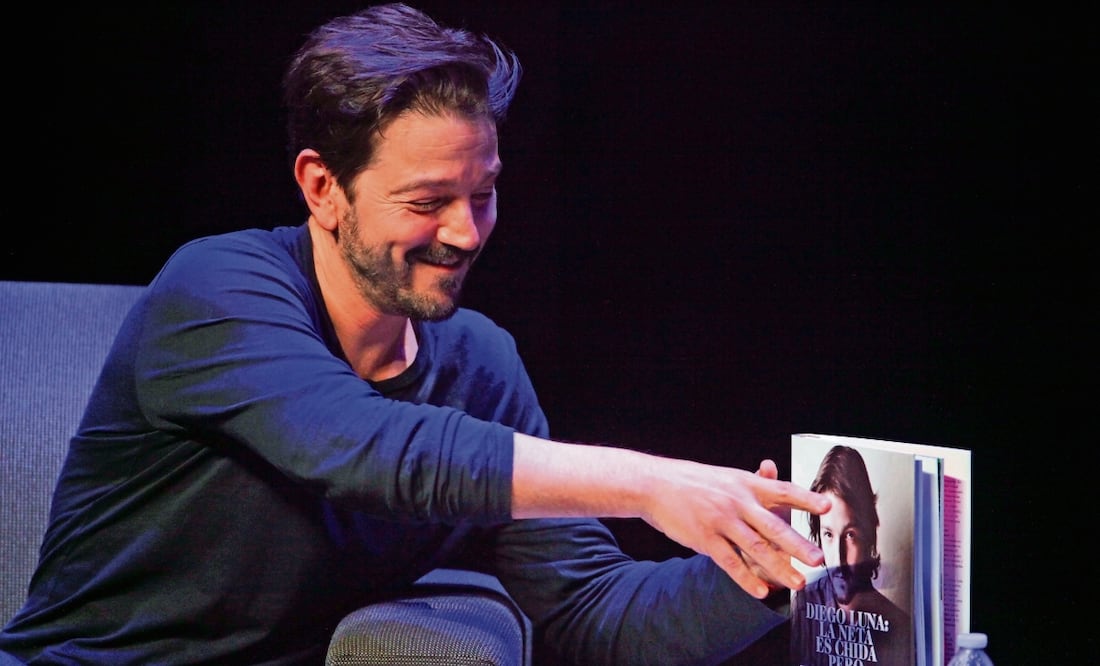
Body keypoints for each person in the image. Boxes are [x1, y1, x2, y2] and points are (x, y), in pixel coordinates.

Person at [0, 4, 830, 664]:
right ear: (324, 187)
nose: (467, 234)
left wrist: (769, 570)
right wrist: (651, 483)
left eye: (485, 193)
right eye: (429, 202)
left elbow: (591, 615)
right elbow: (364, 446)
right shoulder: (217, 289)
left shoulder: (478, 363)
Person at [789, 445, 912, 666]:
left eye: (850, 535)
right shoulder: (803, 601)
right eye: (828, 534)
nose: (838, 559)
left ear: (869, 533)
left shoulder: (898, 625)